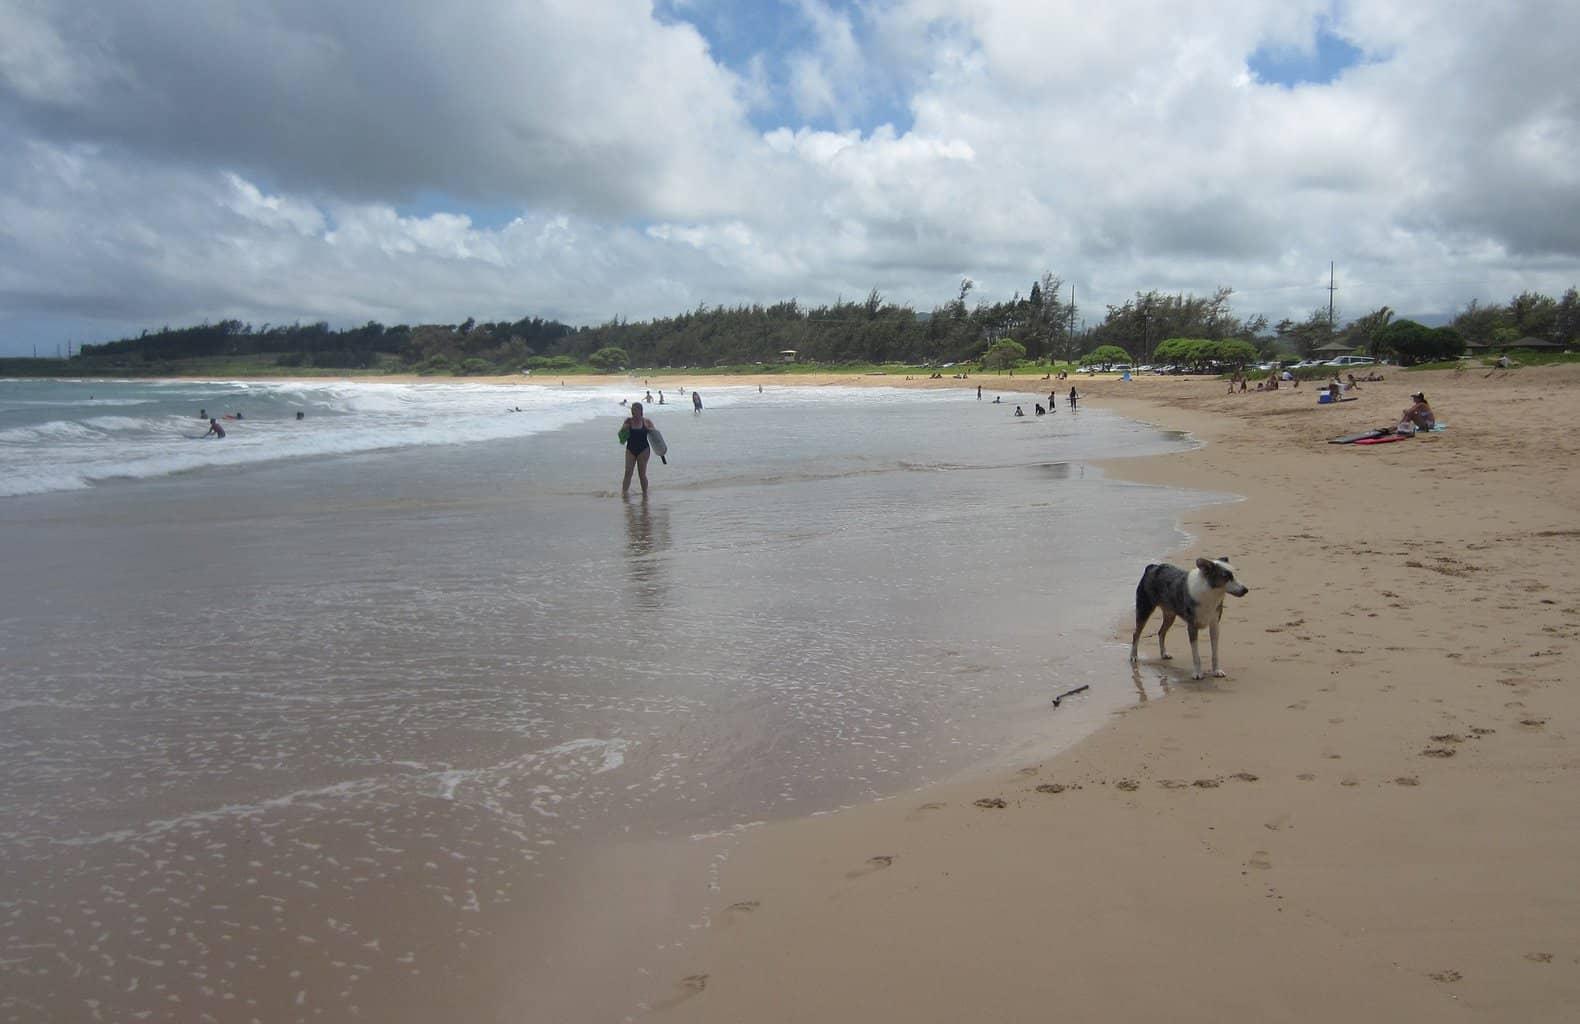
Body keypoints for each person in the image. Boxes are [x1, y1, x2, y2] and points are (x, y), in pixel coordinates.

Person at [620, 402, 656, 496]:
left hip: (643, 450)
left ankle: (645, 494)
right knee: (628, 472)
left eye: (636, 410)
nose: (634, 412)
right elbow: (621, 436)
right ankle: (624, 493)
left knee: (642, 474)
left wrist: (650, 429)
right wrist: (624, 429)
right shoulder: (628, 421)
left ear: (641, 411)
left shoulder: (646, 422)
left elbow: (655, 436)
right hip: (630, 449)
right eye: (633, 410)